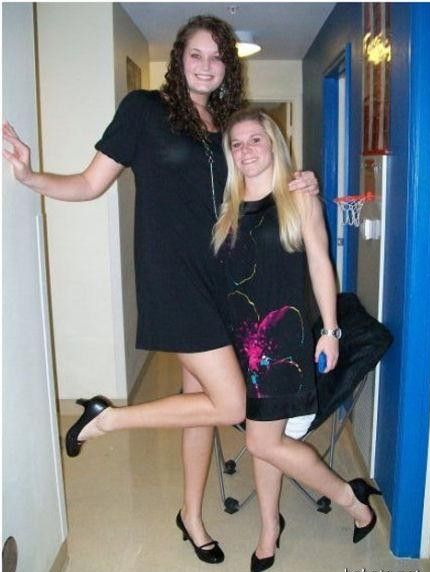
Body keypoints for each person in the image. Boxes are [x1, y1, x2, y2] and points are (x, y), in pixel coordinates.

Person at [3, 15, 319, 565]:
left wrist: (299, 180)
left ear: (227, 68)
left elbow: (257, 179)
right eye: (196, 54)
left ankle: (191, 516)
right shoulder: (144, 110)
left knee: (200, 407)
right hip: (174, 279)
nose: (205, 65)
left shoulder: (224, 126)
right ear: (179, 59)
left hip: (223, 281)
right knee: (230, 402)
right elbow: (89, 183)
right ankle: (107, 417)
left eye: (217, 57)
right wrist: (32, 179)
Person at [213, 109, 381, 572]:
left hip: (282, 342)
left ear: (274, 143)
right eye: (237, 144)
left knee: (263, 442)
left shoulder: (298, 197)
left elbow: (321, 264)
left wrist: (330, 330)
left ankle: (350, 498)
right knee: (263, 435)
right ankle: (270, 527)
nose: (246, 150)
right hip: (240, 344)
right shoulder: (227, 206)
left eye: (255, 140)